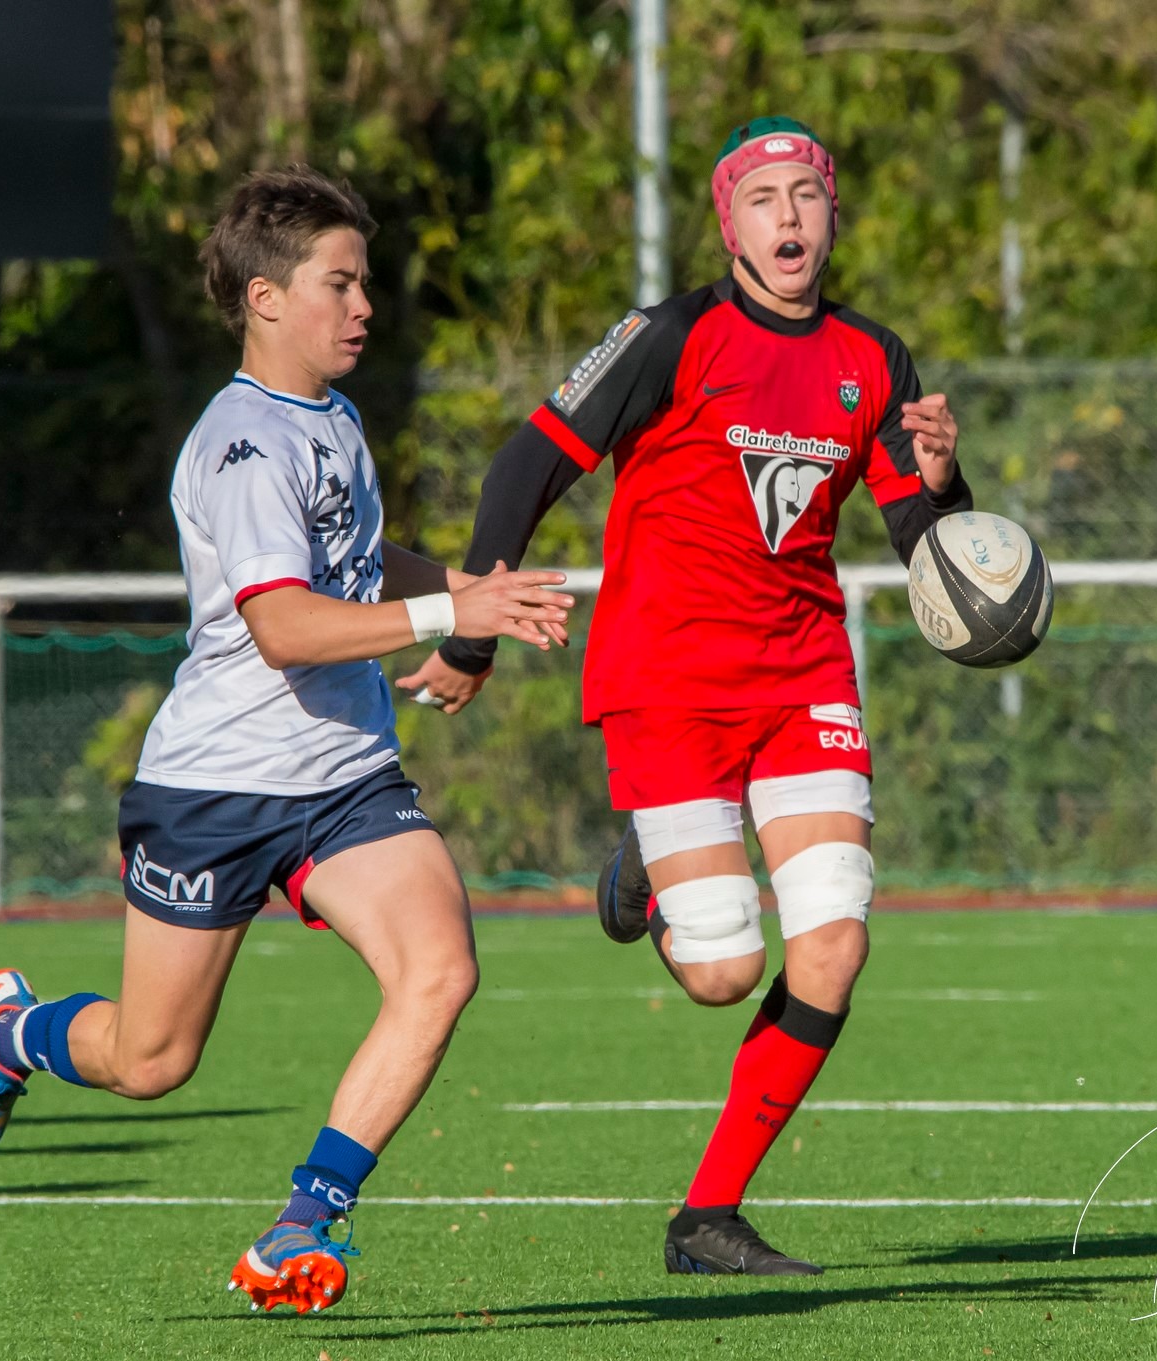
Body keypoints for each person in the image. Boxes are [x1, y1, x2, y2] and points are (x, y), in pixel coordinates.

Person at [0, 167, 574, 1316]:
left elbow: (355, 565)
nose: (364, 305)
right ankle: (13, 1028)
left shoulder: (330, 416)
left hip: (341, 778)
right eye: (341, 283)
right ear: (264, 298)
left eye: (364, 281)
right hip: (215, 788)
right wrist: (450, 615)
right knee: (149, 1061)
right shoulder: (238, 442)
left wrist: (479, 589)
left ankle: (304, 1221)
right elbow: (283, 626)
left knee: (439, 971)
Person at [396, 117, 971, 1275]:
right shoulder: (672, 333)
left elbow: (931, 551)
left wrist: (950, 485)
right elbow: (530, 460)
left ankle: (706, 1216)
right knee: (720, 972)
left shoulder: (876, 357)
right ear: (730, 223)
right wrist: (474, 626)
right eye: (762, 198)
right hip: (667, 674)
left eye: (806, 195)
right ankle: (650, 876)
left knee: (832, 947)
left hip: (803, 670)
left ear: (832, 215)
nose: (789, 217)